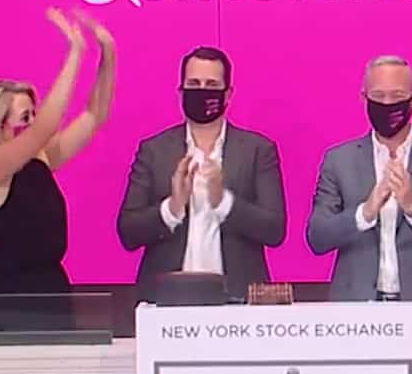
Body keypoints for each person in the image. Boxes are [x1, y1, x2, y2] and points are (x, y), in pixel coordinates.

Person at [0, 7, 116, 330]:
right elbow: (45, 128)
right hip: (6, 307)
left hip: (52, 295)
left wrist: (107, 52)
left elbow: (94, 115)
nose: (32, 124)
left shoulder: (37, 159)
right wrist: (75, 53)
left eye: (33, 115)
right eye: (23, 118)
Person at [306, 55, 412, 333]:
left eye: (398, 96)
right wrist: (365, 213)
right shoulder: (338, 161)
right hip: (354, 316)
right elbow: (317, 237)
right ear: (363, 98)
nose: (388, 104)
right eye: (378, 96)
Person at [116, 46, 287, 301]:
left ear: (228, 94)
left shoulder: (257, 150)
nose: (202, 91)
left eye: (211, 84)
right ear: (180, 91)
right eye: (193, 84)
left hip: (238, 301)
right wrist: (172, 208)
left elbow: (274, 230)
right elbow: (128, 232)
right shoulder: (153, 150)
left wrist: (223, 202)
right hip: (166, 302)